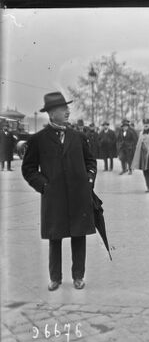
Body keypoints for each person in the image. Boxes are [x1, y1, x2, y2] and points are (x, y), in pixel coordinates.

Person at [21, 92, 97, 291]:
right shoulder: (38, 139)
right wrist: (44, 186)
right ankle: (55, 278)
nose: (68, 112)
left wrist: (88, 180)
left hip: (78, 196)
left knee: (79, 236)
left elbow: (90, 161)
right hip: (54, 198)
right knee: (55, 237)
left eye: (67, 109)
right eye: (63, 109)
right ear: (52, 113)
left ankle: (78, 276)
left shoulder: (79, 137)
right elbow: (28, 169)